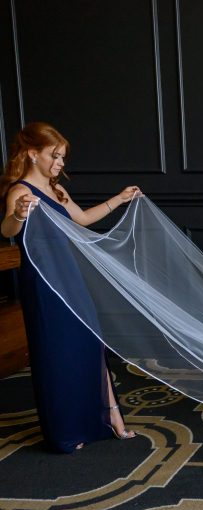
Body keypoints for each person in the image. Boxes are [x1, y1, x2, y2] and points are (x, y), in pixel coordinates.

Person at [0, 122, 140, 452]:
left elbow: (82, 220)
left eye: (63, 157)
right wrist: (19, 215)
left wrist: (119, 199)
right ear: (33, 154)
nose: (61, 163)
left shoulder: (56, 190)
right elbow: (7, 227)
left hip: (70, 277)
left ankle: (111, 419)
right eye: (56, 156)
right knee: (55, 354)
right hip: (45, 283)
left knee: (91, 345)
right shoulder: (20, 192)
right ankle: (66, 431)